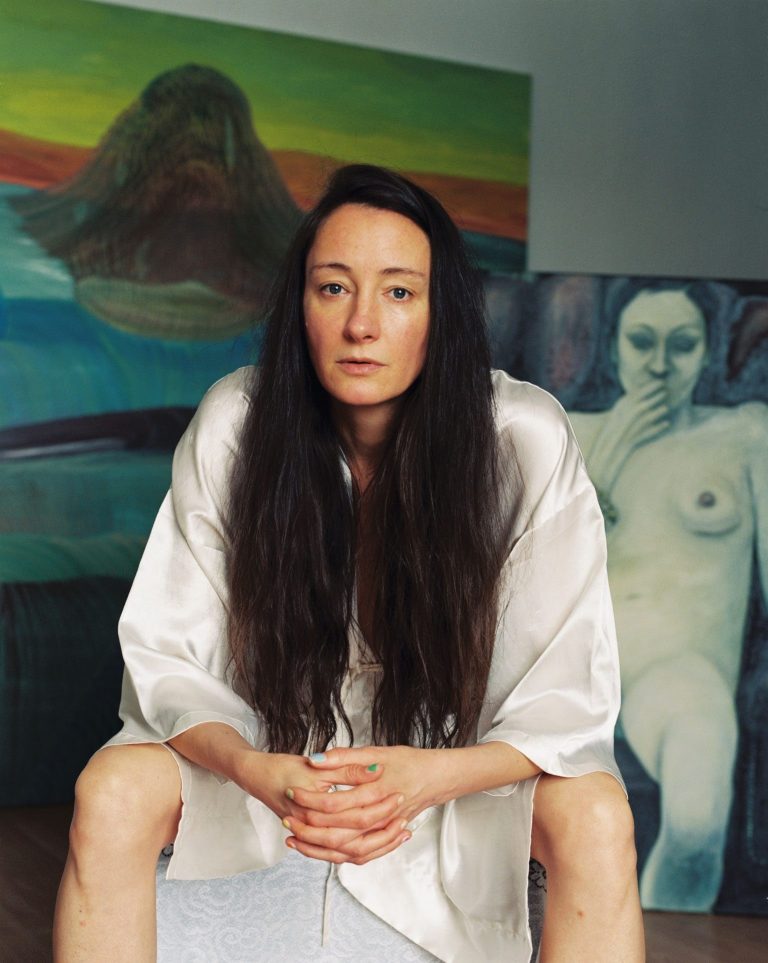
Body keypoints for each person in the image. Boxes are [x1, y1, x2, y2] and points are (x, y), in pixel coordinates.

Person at [53, 165, 643, 962]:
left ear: (442, 312)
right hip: (271, 759)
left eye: (399, 292)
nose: (362, 323)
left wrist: (428, 776)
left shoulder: (522, 438)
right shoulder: (237, 421)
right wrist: (258, 769)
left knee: (596, 812)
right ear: (301, 305)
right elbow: (168, 660)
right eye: (333, 288)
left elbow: (565, 694)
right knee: (111, 788)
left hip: (452, 773)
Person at [567, 281, 768, 911]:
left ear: (707, 351)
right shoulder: (571, 431)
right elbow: (515, 573)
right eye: (641, 342)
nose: (659, 365)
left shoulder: (744, 435)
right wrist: (606, 462)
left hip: (677, 673)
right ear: (614, 349)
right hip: (564, 669)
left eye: (681, 345)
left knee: (698, 822)